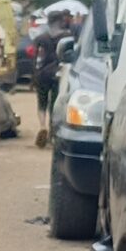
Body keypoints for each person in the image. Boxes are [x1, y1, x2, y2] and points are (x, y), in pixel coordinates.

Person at [34, 8, 75, 147]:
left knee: (42, 102)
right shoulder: (67, 37)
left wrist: (34, 76)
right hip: (58, 74)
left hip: (42, 74)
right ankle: (52, 132)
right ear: (60, 21)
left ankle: (42, 126)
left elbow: (36, 58)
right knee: (55, 104)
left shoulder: (41, 38)